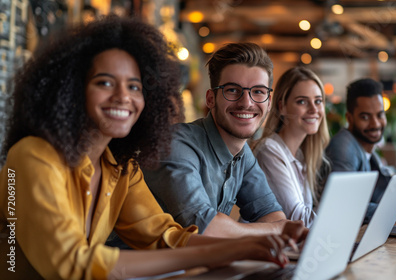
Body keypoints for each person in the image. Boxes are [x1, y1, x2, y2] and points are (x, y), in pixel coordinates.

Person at [0, 16, 303, 280]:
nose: (124, 97)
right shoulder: (32, 156)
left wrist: (243, 247)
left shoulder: (120, 169)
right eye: (105, 83)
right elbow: (70, 264)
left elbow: (165, 237)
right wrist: (218, 252)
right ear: (71, 89)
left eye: (134, 86)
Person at [144, 42, 306, 238]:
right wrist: (276, 230)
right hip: (132, 265)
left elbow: (271, 214)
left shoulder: (242, 154)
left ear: (269, 103)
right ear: (211, 99)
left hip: (193, 265)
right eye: (232, 90)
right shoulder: (175, 144)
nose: (246, 102)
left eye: (258, 92)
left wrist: (277, 228)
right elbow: (205, 229)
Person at [324, 78, 396, 224]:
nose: (375, 123)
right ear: (349, 118)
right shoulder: (343, 148)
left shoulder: (368, 151)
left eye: (379, 114)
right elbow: (345, 205)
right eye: (365, 117)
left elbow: (384, 198)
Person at [252, 66, 330, 228]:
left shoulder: (302, 155)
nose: (314, 109)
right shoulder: (269, 150)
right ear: (282, 107)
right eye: (302, 101)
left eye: (318, 101)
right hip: (263, 250)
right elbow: (299, 220)